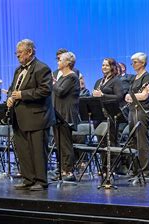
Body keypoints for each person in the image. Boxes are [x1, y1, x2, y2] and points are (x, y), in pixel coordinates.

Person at [7, 39, 55, 191]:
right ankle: (28, 179)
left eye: (20, 53)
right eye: (17, 53)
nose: (17, 56)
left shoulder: (42, 68)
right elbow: (12, 88)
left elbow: (45, 90)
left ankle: (41, 181)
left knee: (38, 151)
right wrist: (10, 97)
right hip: (20, 117)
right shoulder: (18, 70)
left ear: (29, 52)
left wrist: (22, 95)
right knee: (23, 151)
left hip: (37, 117)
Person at [124, 52, 149, 178]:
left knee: (142, 141)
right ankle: (135, 169)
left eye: (135, 62)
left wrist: (131, 96)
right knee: (133, 141)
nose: (133, 64)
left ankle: (145, 171)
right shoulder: (135, 77)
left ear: (142, 63)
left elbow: (145, 95)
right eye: (132, 62)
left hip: (141, 111)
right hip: (132, 110)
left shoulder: (147, 76)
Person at [52, 52, 80, 181]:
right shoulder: (62, 78)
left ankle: (69, 171)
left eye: (60, 60)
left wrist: (53, 83)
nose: (58, 62)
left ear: (68, 63)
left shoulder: (71, 77)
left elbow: (60, 91)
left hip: (66, 114)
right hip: (58, 113)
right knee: (59, 144)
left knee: (65, 144)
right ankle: (62, 170)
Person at [93, 58, 123, 145]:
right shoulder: (99, 81)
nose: (104, 67)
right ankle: (103, 159)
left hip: (111, 115)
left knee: (111, 142)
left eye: (107, 65)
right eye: (103, 65)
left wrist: (103, 95)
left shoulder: (116, 80)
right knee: (101, 142)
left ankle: (113, 159)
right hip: (99, 114)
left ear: (112, 67)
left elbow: (119, 97)